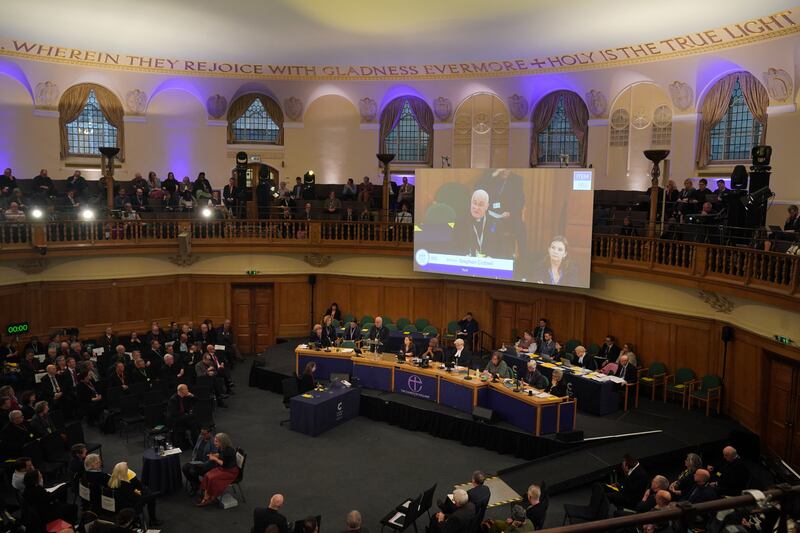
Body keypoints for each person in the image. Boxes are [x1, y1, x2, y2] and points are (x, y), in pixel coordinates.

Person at [475, 168, 526, 260]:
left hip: (509, 216)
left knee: (521, 228)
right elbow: (478, 190)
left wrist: (510, 212)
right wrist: (493, 175)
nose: (505, 172)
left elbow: (520, 201)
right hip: (491, 215)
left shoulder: (517, 180)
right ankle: (489, 255)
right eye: (502, 170)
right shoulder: (490, 177)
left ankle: (523, 259)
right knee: (491, 227)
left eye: (507, 170)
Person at [455, 189, 503, 258]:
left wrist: (492, 258)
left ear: (487, 206)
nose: (476, 208)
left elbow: (501, 249)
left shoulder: (496, 224)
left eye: (480, 205)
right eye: (474, 203)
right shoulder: (460, 222)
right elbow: (455, 247)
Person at [196, 432, 240, 507]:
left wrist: (214, 459)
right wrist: (214, 455)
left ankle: (208, 497)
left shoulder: (229, 451)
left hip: (230, 472)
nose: (214, 442)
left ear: (222, 442)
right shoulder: (221, 448)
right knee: (207, 475)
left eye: (216, 441)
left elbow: (224, 463)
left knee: (212, 478)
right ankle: (207, 496)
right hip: (224, 469)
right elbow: (220, 455)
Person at [182, 426, 218, 497]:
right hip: (197, 462)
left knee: (192, 471)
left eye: (204, 433)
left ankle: (196, 486)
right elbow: (195, 450)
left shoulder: (214, 442)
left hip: (207, 464)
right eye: (201, 433)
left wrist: (203, 464)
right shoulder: (200, 437)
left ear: (210, 433)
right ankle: (197, 484)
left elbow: (213, 457)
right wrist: (193, 459)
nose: (202, 435)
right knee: (184, 468)